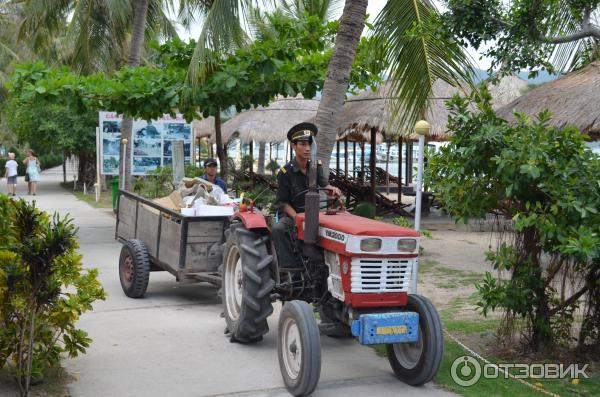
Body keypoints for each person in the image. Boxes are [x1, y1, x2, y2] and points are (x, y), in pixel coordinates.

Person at [271, 122, 341, 268]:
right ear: (293, 146)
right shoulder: (286, 173)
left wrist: (332, 189)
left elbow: (324, 185)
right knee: (278, 229)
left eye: (309, 144)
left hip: (314, 214)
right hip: (292, 215)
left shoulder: (316, 167)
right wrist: (297, 218)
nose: (307, 148)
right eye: (302, 144)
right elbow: (283, 203)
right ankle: (289, 267)